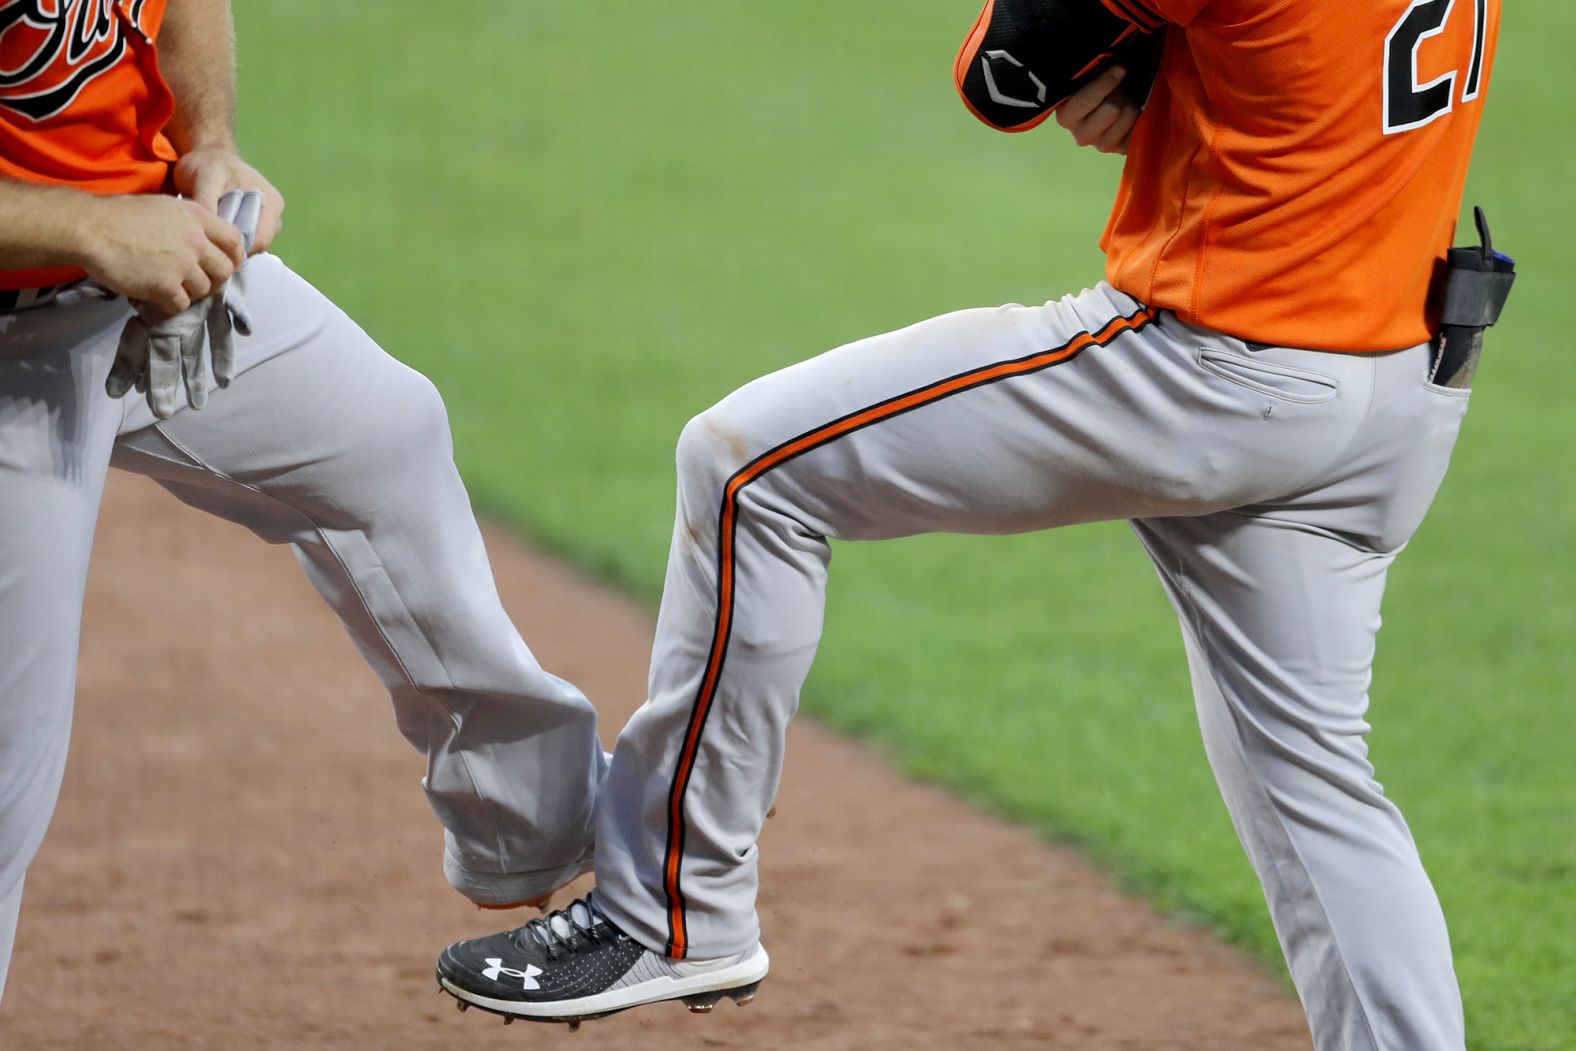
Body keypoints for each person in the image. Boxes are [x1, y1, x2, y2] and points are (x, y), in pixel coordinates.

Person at [438, 1, 1503, 1048]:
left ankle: (673, 910)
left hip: (1214, 373)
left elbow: (1004, 71)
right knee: (1316, 787)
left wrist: (1133, 51)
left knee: (745, 471)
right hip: (1397, 392)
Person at [0, 0, 609, 1002]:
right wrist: (86, 223)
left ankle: (540, 824)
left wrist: (211, 149)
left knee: (382, 435)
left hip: (151, 272)